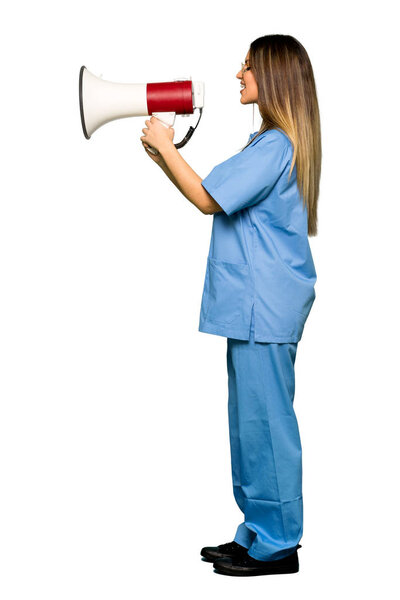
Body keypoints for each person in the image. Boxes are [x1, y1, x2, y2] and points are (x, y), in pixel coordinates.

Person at [140, 34, 321, 577]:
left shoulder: (274, 147)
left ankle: (279, 543)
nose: (239, 72)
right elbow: (210, 197)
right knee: (249, 426)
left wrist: (168, 148)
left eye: (248, 66)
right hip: (253, 307)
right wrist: (163, 157)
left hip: (264, 306)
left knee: (267, 428)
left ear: (274, 77)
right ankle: (256, 532)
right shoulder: (267, 145)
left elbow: (207, 199)